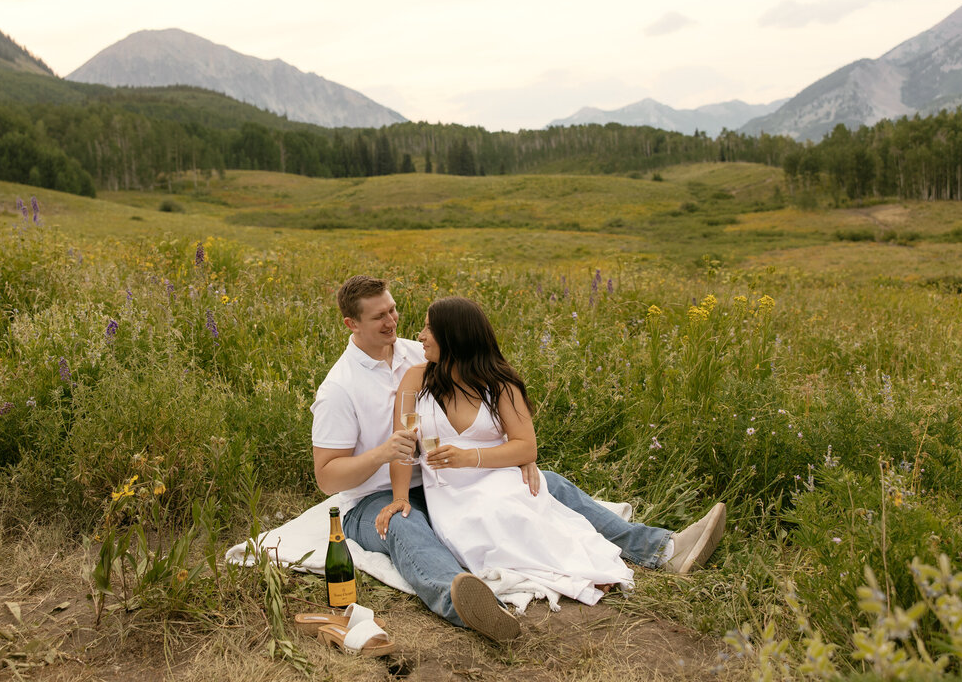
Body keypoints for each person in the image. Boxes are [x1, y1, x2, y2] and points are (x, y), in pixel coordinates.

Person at [311, 275, 726, 642]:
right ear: (351, 324)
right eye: (379, 317)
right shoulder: (340, 388)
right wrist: (385, 455)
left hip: (445, 481)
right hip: (374, 496)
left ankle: (662, 549)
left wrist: (517, 455)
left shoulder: (417, 354)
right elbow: (327, 479)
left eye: (394, 310)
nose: (394, 322)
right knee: (404, 525)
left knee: (548, 482)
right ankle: (469, 604)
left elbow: (479, 378)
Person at [375, 296, 634, 605]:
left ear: (454, 337)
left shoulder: (501, 384)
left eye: (429, 329)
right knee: (483, 525)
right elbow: (403, 446)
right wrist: (401, 497)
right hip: (447, 493)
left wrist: (470, 457)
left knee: (506, 508)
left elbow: (526, 447)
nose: (420, 336)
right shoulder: (417, 378)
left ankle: (579, 571)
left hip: (497, 475)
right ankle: (563, 574)